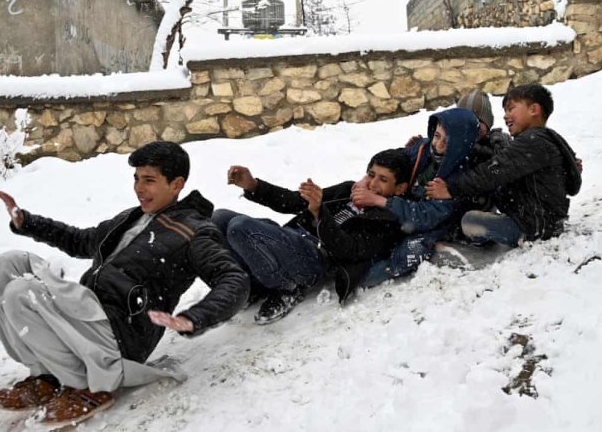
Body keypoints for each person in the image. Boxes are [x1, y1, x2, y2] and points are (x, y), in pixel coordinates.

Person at [0, 141, 249, 427]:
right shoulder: (131, 217)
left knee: (24, 293)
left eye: (149, 180)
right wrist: (27, 222)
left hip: (123, 331)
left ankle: (91, 388)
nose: (139, 188)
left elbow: (234, 279)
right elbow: (81, 240)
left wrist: (194, 318)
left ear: (177, 184)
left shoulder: (195, 231)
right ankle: (47, 376)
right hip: (90, 311)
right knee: (7, 264)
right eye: (136, 178)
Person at [213, 149, 412, 324]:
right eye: (371, 175)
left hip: (316, 258)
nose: (373, 183)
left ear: (400, 188)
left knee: (240, 227)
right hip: (291, 236)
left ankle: (286, 288)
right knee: (218, 219)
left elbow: (347, 249)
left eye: (383, 180)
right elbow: (293, 202)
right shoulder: (348, 189)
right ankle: (251, 286)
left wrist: (320, 213)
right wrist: (253, 185)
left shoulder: (387, 220)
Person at [427, 84, 581, 247]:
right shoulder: (547, 140)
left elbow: (493, 171)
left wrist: (450, 189)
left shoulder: (532, 142)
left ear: (534, 109)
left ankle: (496, 239)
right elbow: (572, 186)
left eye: (511, 109)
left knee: (470, 222)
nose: (506, 116)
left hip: (534, 226)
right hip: (543, 221)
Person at [360, 106, 481, 286]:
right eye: (437, 136)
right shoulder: (423, 148)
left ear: (460, 144)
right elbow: (397, 160)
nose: (438, 145)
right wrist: (367, 178)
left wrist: (382, 201)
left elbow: (427, 217)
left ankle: (371, 274)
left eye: (447, 142)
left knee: (410, 250)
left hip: (433, 225)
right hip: (403, 206)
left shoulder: (459, 177)